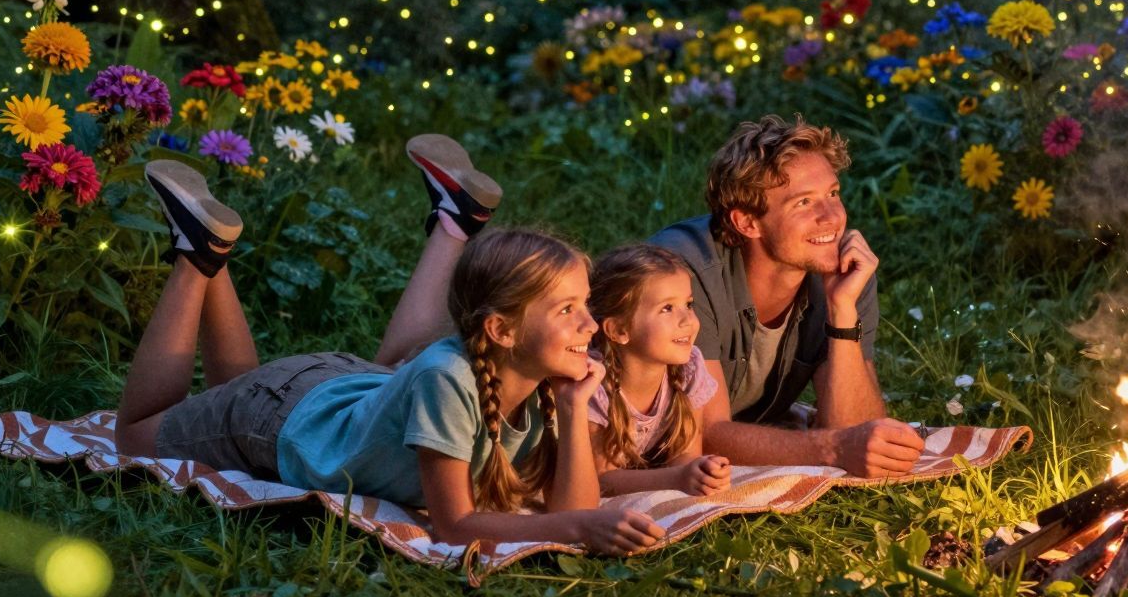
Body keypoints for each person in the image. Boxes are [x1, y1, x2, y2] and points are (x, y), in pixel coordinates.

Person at [115, 159, 664, 554]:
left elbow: (572, 508)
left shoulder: (545, 379)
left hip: (335, 385)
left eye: (584, 305)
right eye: (567, 309)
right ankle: (195, 260)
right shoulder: (449, 378)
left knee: (235, 394)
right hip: (284, 420)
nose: (589, 325)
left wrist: (571, 412)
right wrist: (575, 531)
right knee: (136, 440)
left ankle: (210, 251)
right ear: (500, 330)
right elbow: (454, 526)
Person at [651, 115, 924, 477]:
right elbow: (705, 435)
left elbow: (857, 432)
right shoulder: (684, 274)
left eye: (832, 194)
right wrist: (833, 448)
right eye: (803, 203)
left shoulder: (843, 272)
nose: (831, 217)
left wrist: (842, 312)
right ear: (747, 222)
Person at [583, 242, 733, 495]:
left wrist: (701, 471)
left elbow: (684, 454)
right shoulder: (592, 384)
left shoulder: (689, 369)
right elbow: (602, 480)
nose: (688, 321)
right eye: (667, 308)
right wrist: (676, 478)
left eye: (688, 304)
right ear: (619, 330)